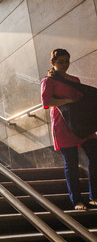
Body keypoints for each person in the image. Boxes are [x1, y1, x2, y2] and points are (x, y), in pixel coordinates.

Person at [41, 48, 97, 210]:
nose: (64, 65)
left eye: (67, 61)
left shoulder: (74, 79)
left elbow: (82, 100)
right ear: (53, 63)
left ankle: (94, 196)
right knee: (71, 164)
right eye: (60, 62)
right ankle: (77, 201)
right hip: (63, 126)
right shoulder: (48, 81)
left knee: (95, 156)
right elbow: (47, 101)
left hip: (81, 124)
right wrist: (67, 101)